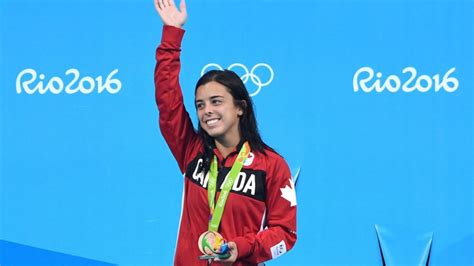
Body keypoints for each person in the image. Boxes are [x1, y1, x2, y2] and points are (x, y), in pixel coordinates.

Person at [153, 0, 297, 265]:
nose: (207, 110)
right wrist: (171, 34)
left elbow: (285, 235)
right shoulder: (191, 151)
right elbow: (167, 101)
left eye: (216, 101)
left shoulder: (272, 166)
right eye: (200, 105)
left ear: (240, 107)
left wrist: (240, 248)